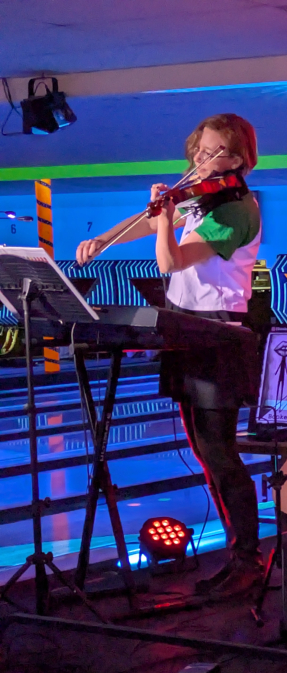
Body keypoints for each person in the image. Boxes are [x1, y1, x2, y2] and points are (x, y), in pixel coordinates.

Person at [77, 113, 263, 598]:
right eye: (198, 150)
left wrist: (164, 219)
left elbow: (170, 260)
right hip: (187, 328)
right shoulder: (204, 199)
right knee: (204, 450)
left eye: (213, 152)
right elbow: (151, 221)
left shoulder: (235, 209)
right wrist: (105, 239)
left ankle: (248, 559)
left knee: (219, 451)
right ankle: (238, 554)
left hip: (219, 334)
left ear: (237, 159)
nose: (200, 159)